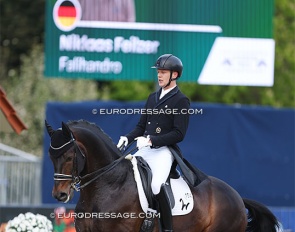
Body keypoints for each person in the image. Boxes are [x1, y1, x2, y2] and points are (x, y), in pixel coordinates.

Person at [117, 54, 190, 232]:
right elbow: (141, 126)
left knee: (156, 185)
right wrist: (127, 137)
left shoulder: (181, 100)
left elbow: (179, 134)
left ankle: (167, 228)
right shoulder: (152, 97)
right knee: (124, 174)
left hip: (164, 152)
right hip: (145, 148)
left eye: (163, 72)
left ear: (174, 75)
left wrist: (151, 140)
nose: (159, 75)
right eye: (158, 72)